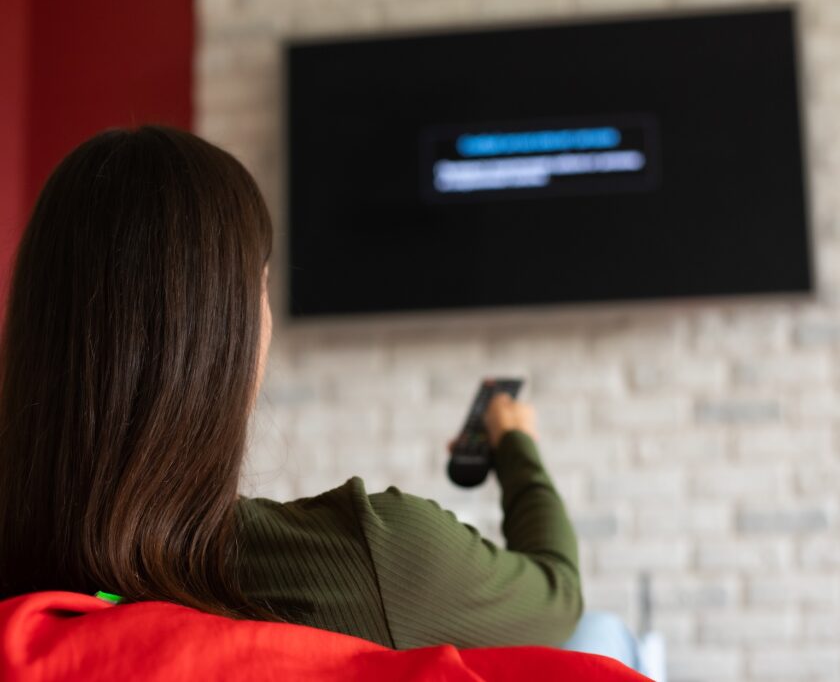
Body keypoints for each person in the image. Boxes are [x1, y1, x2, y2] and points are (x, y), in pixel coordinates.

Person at [0, 126, 593, 653]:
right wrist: (515, 445)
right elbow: (559, 594)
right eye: (260, 285)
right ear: (222, 334)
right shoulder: (376, 558)